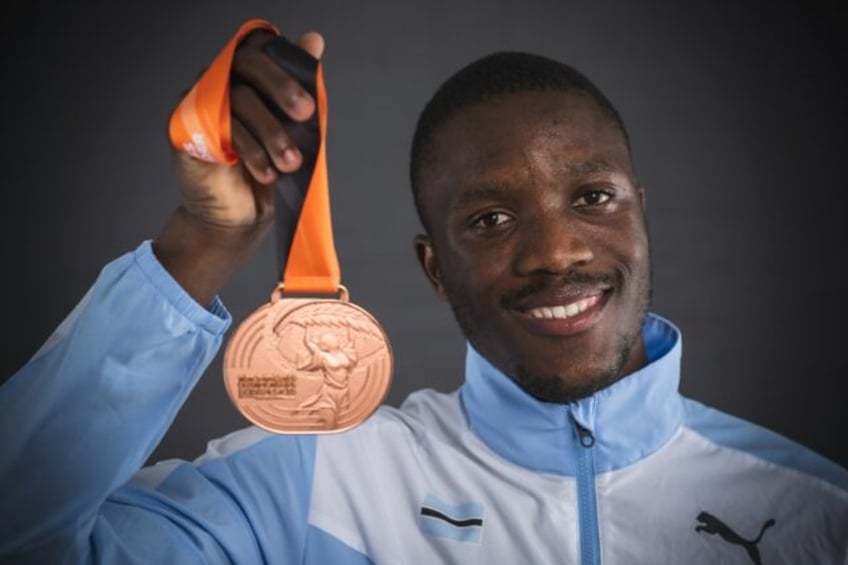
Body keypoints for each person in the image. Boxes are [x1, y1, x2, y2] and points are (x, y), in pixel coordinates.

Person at [1, 21, 846, 565]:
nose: (555, 250)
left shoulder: (815, 511)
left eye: (592, 198)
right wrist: (202, 241)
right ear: (434, 267)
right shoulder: (314, 483)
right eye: (488, 218)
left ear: (640, 215)